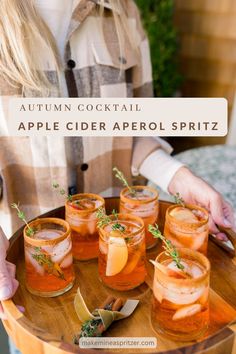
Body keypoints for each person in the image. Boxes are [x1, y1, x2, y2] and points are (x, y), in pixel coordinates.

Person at [0, 0, 234, 346]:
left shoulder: (122, 13)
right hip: (34, 271)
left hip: (126, 258)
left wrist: (179, 177)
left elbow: (137, 127)